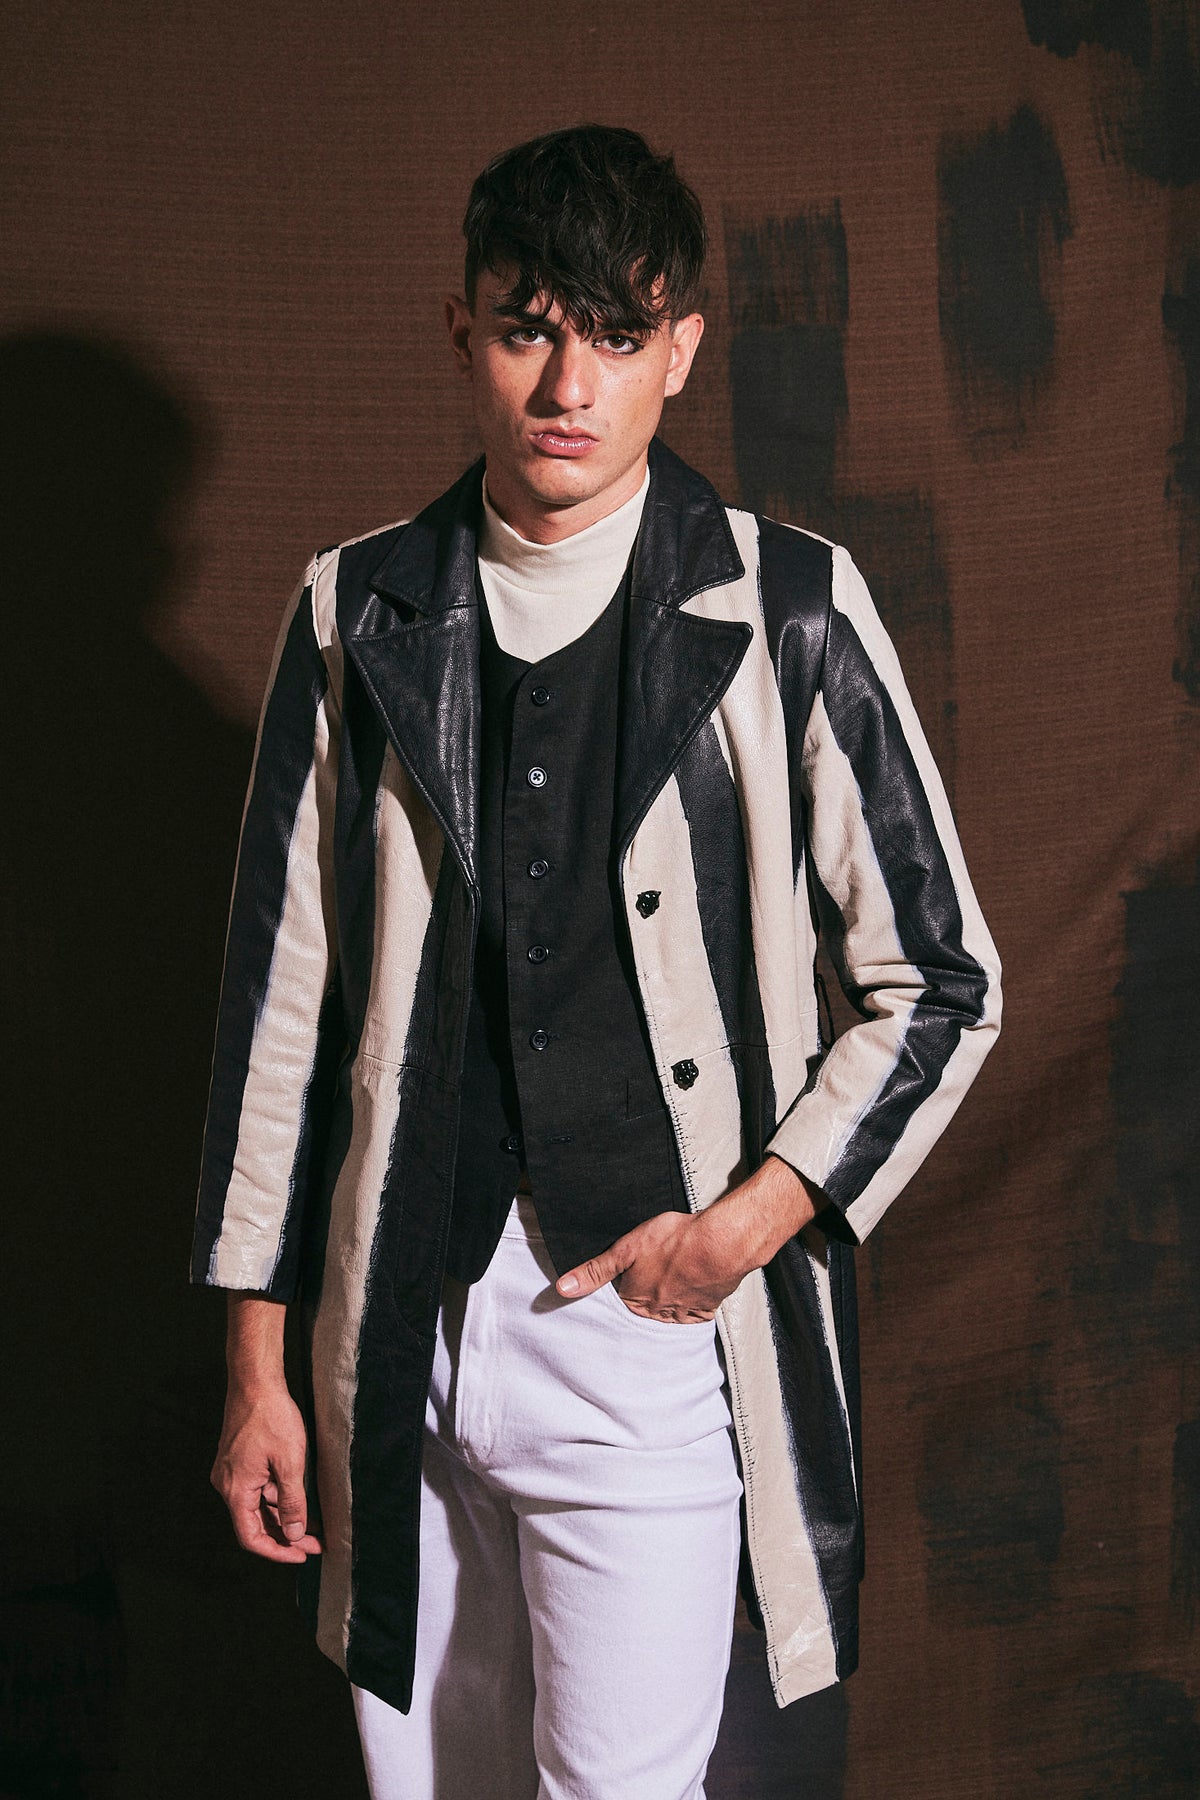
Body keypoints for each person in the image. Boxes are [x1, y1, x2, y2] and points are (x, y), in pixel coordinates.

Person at [193, 124, 1001, 1800]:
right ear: (462, 334)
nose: (569, 384)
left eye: (618, 336)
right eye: (527, 328)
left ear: (680, 352)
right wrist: (261, 1370)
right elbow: (280, 1015)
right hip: (396, 1330)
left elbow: (940, 977)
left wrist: (733, 1240)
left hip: (646, 1324)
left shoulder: (788, 608)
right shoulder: (355, 611)